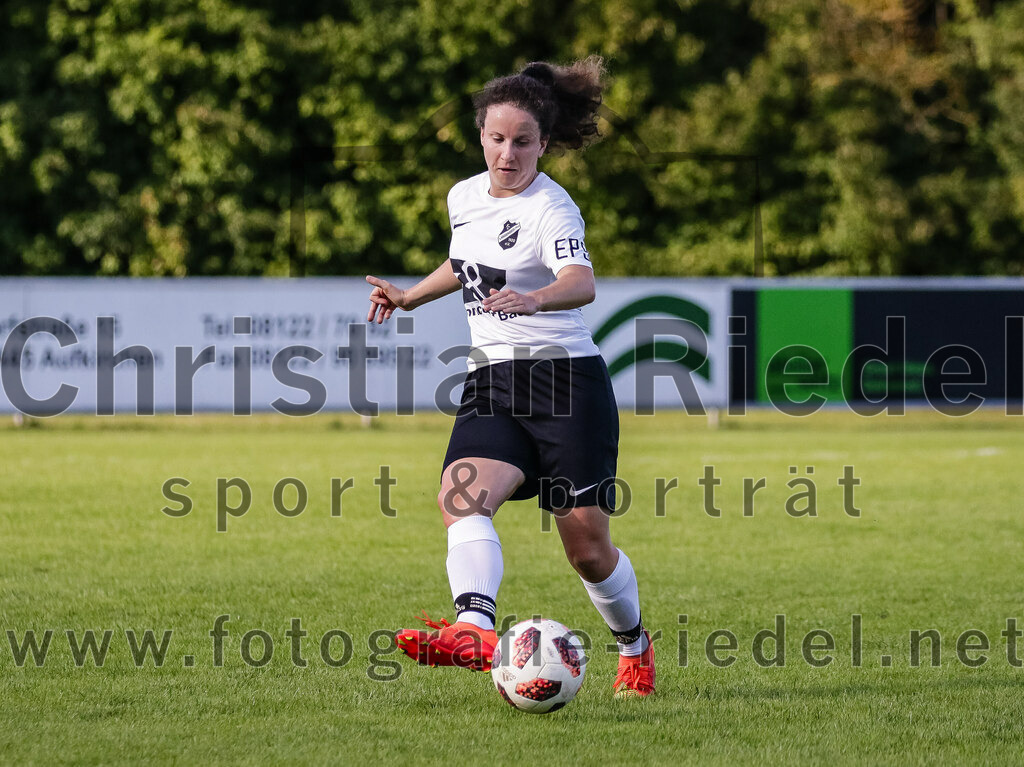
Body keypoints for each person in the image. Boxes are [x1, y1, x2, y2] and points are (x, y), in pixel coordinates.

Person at [365, 57, 654, 698]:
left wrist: (538, 298)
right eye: (497, 139)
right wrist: (411, 296)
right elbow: (462, 261)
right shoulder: (463, 196)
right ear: (481, 139)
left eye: (523, 141)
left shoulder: (554, 207)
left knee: (586, 551)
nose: (508, 153)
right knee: (460, 497)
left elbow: (581, 282)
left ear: (543, 144)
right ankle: (473, 627)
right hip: (494, 381)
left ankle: (634, 647)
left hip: (567, 387)